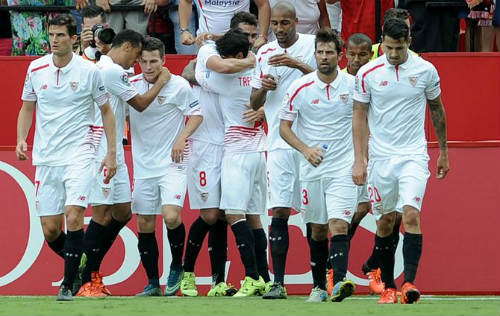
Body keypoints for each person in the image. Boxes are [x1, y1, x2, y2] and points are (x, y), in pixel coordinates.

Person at [15, 14, 117, 301]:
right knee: (50, 229)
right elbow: (26, 108)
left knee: (74, 216)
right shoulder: (36, 68)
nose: (55, 40)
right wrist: (22, 138)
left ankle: (68, 285)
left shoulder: (90, 71)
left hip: (80, 153)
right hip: (46, 157)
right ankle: (84, 268)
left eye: (61, 35)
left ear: (74, 38)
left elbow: (107, 112)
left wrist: (110, 153)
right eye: (51, 35)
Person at [352, 18, 450, 304]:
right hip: (380, 158)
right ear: (382, 42)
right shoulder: (368, 73)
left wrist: (443, 151)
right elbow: (359, 115)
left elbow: (437, 109)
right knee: (384, 222)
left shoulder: (425, 70)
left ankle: (409, 282)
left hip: (413, 155)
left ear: (409, 42)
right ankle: (390, 286)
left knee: (410, 214)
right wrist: (360, 159)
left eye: (400, 48)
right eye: (389, 48)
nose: (394, 54)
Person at [76, 29, 171, 297]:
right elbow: (140, 104)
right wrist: (161, 81)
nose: (137, 61)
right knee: (102, 213)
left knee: (122, 212)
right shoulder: (111, 71)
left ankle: (85, 268)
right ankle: (86, 279)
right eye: (137, 55)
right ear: (127, 46)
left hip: (113, 148)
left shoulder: (110, 70)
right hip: (102, 151)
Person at [180, 15, 257, 297]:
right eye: (244, 35)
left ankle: (218, 281)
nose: (250, 41)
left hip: (230, 144)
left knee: (225, 213)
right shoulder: (208, 52)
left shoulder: (245, 59)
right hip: (204, 145)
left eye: (253, 35)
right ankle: (186, 273)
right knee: (211, 214)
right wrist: (249, 61)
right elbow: (198, 70)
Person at [279, 27, 356, 303]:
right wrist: (305, 149)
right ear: (315, 54)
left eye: (329, 52)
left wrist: (362, 160)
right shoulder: (299, 86)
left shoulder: (353, 85)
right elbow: (284, 128)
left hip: (343, 167)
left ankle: (340, 282)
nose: (324, 57)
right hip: (310, 167)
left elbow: (363, 123)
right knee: (318, 228)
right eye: (320, 52)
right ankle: (319, 286)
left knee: (339, 224)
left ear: (340, 55)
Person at [250, 1, 316, 299]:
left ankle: (322, 281)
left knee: (316, 214)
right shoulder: (264, 52)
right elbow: (253, 102)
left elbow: (330, 79)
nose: (278, 29)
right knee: (279, 210)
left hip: (312, 143)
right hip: (278, 143)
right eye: (274, 24)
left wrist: (297, 66)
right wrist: (263, 87)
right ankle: (278, 281)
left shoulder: (313, 45)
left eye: (284, 23)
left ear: (296, 21)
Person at [129, 37, 203, 296]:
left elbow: (197, 115)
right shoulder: (131, 86)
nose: (148, 67)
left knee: (171, 216)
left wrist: (181, 138)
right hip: (142, 166)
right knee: (145, 224)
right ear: (138, 61)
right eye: (144, 61)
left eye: (154, 61)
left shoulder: (179, 85)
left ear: (164, 61)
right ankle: (152, 283)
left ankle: (176, 266)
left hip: (172, 163)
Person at [178, 0, 271, 49]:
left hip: (241, 41)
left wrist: (263, 35)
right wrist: (184, 30)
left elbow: (263, 4)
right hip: (207, 42)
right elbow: (186, 1)